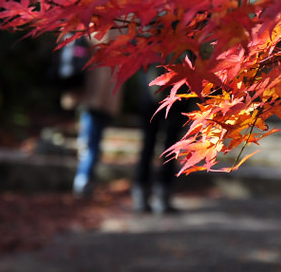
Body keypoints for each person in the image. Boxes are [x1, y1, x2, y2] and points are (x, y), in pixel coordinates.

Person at [58, 33, 123, 199]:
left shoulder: (99, 26)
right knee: (91, 138)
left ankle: (85, 178)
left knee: (92, 138)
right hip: (97, 91)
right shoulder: (112, 29)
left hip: (96, 92)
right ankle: (84, 178)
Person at [130, 68, 189, 214]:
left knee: (151, 144)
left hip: (152, 96)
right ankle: (162, 196)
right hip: (175, 95)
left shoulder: (148, 48)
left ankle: (142, 195)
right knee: (169, 146)